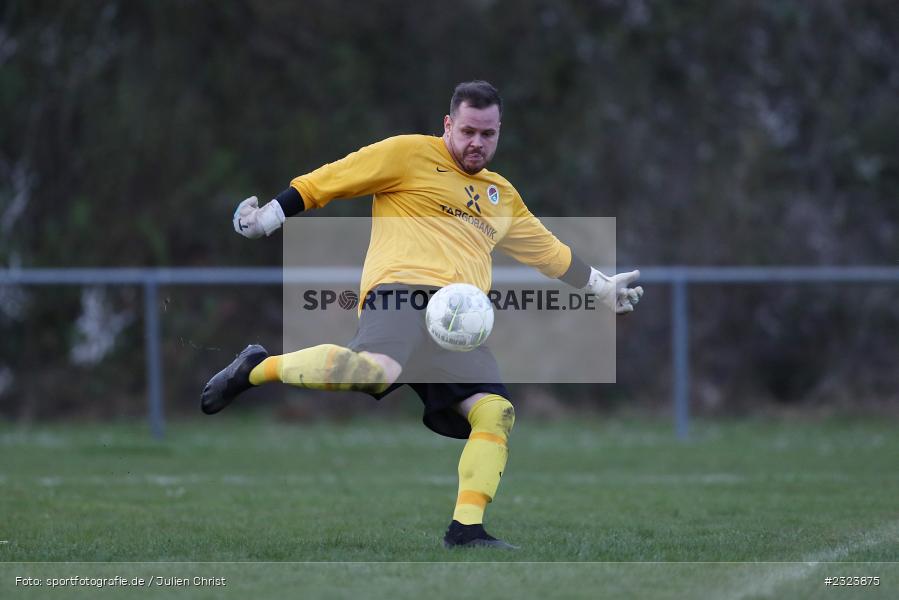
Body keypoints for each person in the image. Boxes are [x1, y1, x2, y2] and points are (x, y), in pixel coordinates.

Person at [201, 80, 643, 549]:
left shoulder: (500, 195)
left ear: (499, 133)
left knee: (495, 413)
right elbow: (331, 178)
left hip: (459, 322)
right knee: (374, 372)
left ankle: (466, 531)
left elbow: (547, 252)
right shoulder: (408, 154)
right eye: (468, 130)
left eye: (488, 134)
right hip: (402, 292)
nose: (477, 142)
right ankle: (256, 367)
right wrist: (268, 218)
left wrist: (600, 287)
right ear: (448, 124)